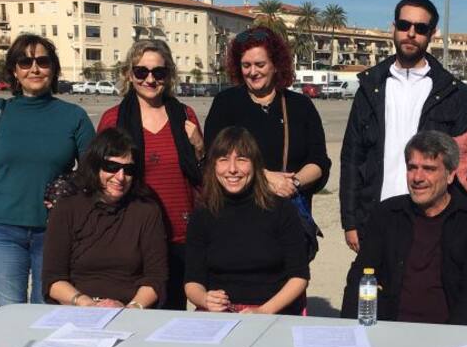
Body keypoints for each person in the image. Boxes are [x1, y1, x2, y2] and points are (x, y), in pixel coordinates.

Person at [0, 34, 94, 306]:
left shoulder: (74, 116)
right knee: (9, 307)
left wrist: (74, 196)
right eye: (25, 62)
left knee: (47, 308)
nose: (34, 69)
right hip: (4, 229)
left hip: (55, 231)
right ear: (14, 70)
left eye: (42, 62)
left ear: (53, 69)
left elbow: (92, 173)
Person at [339, 0, 467, 253]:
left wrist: (453, 222)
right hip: (376, 216)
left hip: (431, 220)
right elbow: (352, 157)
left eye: (420, 28)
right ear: (394, 27)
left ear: (432, 34)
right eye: (404, 25)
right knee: (372, 281)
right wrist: (350, 220)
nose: (411, 34)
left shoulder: (452, 91)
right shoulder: (370, 87)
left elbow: (462, 162)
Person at [341, 131, 467, 325]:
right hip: (390, 329)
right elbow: (360, 276)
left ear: (450, 175)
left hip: (448, 332)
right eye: (412, 168)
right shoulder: (387, 214)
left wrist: (454, 337)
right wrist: (349, 330)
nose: (417, 177)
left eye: (429, 169)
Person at [97, 39, 203, 310]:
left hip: (180, 235)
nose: (150, 79)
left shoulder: (186, 116)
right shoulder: (113, 119)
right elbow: (100, 176)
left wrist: (200, 147)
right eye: (141, 71)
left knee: (173, 316)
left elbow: (202, 175)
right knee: (132, 315)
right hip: (132, 235)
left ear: (169, 75)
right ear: (129, 74)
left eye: (159, 72)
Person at [185, 126, 309, 315]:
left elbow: (299, 277)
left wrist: (263, 311)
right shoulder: (203, 214)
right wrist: (204, 299)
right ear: (213, 166)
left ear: (255, 165)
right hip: (219, 314)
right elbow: (192, 281)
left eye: (241, 160)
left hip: (273, 311)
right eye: (223, 160)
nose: (232, 169)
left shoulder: (281, 209)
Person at [41, 129, 168, 309]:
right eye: (111, 167)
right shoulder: (67, 208)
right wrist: (86, 303)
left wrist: (131, 308)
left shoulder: (146, 211)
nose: (120, 177)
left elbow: (156, 278)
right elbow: (53, 279)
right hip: (77, 307)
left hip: (129, 308)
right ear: (95, 166)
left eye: (128, 170)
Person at [204, 27, 330, 203]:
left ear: (276, 65)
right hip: (240, 208)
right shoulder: (225, 103)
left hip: (288, 209)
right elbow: (214, 156)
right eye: (246, 65)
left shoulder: (300, 106)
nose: (252, 72)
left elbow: (319, 161)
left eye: (260, 65)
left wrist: (292, 183)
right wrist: (266, 178)